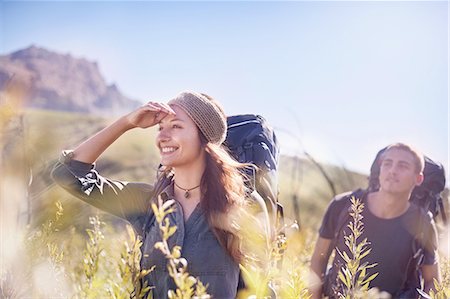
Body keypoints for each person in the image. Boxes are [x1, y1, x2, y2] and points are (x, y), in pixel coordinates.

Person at [51, 91, 253, 298]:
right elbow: (68, 174)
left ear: (205, 138)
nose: (163, 137)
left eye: (176, 126)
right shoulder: (147, 203)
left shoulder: (238, 213)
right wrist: (127, 122)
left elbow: (259, 289)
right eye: (160, 128)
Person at [309, 143, 441, 298]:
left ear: (418, 179)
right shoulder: (343, 205)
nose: (392, 171)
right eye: (387, 163)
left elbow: (432, 281)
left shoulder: (423, 223)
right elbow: (319, 259)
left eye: (402, 166)